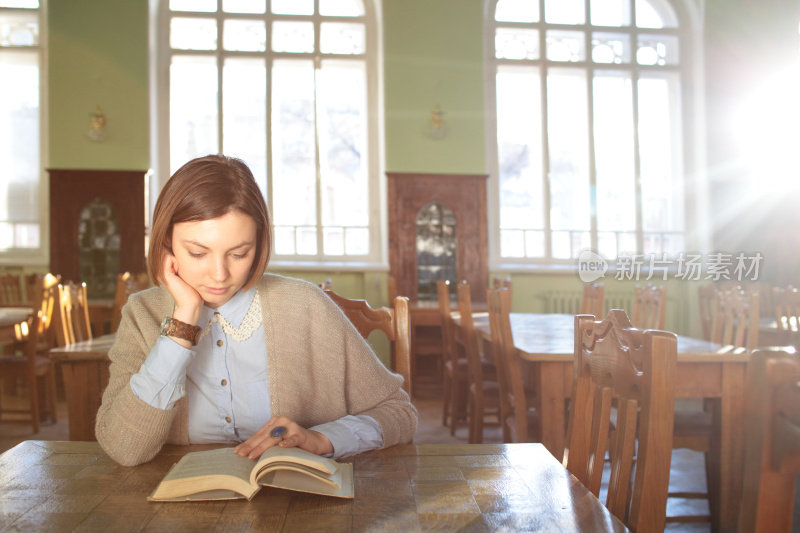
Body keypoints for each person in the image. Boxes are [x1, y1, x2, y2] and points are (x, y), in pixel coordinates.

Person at [96, 154, 417, 467]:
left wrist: (323, 439)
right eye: (197, 253)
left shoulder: (307, 305)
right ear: (166, 243)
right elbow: (124, 448)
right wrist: (183, 320)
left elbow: (398, 412)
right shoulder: (142, 313)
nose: (219, 274)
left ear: (259, 243)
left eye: (238, 253)